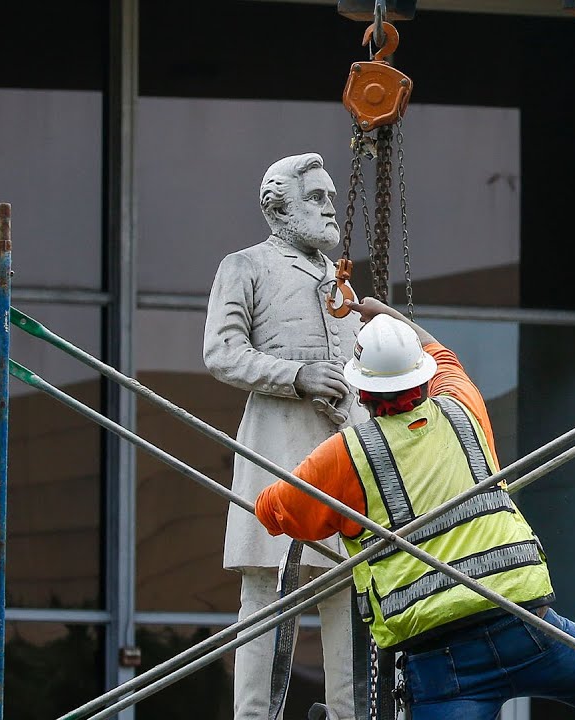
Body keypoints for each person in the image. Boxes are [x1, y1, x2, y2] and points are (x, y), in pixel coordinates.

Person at [255, 298, 575, 720]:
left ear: (362, 392)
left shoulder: (346, 456)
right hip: (524, 624)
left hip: (443, 662)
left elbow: (273, 510)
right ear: (423, 378)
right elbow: (441, 354)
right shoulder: (463, 406)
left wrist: (320, 477)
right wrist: (386, 315)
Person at [204, 153, 367, 720]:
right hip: (278, 444)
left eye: (329, 196)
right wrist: (294, 376)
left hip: (344, 453)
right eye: (316, 197)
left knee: (351, 592)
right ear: (279, 207)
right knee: (269, 594)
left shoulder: (340, 279)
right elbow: (221, 352)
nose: (330, 208)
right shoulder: (246, 265)